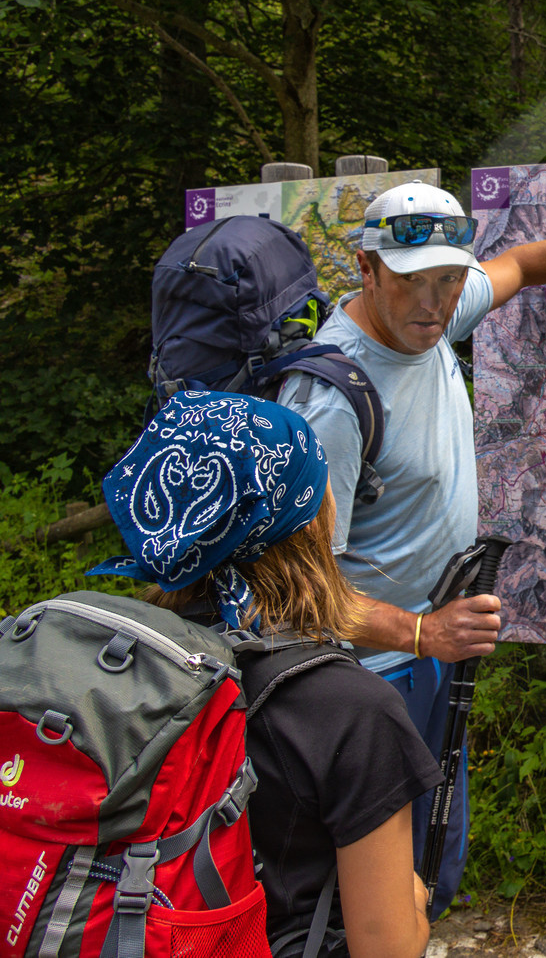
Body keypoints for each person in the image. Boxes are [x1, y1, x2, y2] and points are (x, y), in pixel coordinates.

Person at [279, 179, 546, 916]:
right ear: (367, 269)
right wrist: (421, 633)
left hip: (428, 655)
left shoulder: (435, 316)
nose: (434, 303)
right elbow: (297, 595)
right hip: (368, 677)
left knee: (431, 866)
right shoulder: (331, 405)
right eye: (413, 281)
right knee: (377, 894)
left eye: (449, 279)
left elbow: (522, 264)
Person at [89, 389, 440, 958]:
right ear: (308, 522)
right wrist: (414, 900)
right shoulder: (352, 709)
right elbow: (388, 948)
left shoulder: (119, 659)